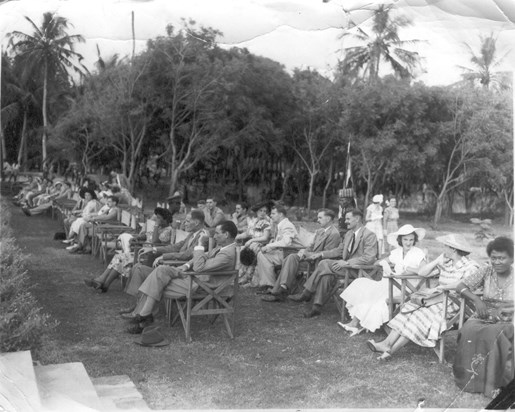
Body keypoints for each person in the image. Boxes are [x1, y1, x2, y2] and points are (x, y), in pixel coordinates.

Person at [367, 233, 479, 360]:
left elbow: (465, 285)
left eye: (445, 247)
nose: (443, 249)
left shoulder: (470, 266)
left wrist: (441, 288)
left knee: (417, 315)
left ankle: (389, 351)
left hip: (455, 304)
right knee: (409, 308)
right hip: (438, 300)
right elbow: (422, 273)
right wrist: (437, 261)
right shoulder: (447, 263)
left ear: (453, 249)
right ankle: (387, 344)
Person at [125, 220, 238, 334]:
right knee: (161, 270)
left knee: (156, 279)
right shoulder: (222, 248)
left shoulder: (227, 254)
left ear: (226, 235)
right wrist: (186, 265)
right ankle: (144, 315)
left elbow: (199, 267)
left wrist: (199, 244)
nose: (214, 236)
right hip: (194, 277)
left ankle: (143, 318)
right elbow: (202, 257)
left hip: (201, 285)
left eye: (218, 233)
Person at [453, 236, 514, 398]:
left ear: (512, 258)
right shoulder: (486, 271)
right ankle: (471, 379)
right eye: (494, 258)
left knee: (496, 335)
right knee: (468, 330)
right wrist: (477, 299)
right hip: (484, 314)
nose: (497, 262)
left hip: (510, 317)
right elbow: (460, 286)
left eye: (502, 258)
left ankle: (495, 383)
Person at [338, 224, 427, 335]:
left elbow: (424, 270)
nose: (408, 243)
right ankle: (355, 324)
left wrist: (408, 269)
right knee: (362, 285)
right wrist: (384, 264)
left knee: (376, 296)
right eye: (405, 239)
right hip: (392, 282)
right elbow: (378, 262)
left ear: (414, 240)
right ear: (400, 240)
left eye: (411, 240)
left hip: (407, 287)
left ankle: (357, 325)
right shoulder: (397, 252)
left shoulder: (417, 253)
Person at [288, 209, 378, 318]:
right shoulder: (349, 234)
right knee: (326, 275)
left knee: (324, 264)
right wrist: (321, 254)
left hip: (359, 270)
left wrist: (347, 262)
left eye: (348, 219)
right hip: (346, 268)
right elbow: (339, 250)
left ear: (357, 219)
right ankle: (316, 307)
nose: (346, 221)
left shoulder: (369, 235)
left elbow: (369, 257)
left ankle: (306, 293)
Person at [83, 208, 174, 293]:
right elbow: (147, 236)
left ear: (165, 219)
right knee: (120, 259)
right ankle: (103, 283)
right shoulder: (159, 227)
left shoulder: (167, 230)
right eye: (156, 217)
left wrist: (156, 225)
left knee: (122, 259)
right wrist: (137, 237)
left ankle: (102, 282)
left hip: (151, 257)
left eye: (158, 218)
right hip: (142, 252)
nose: (156, 220)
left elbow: (154, 242)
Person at [261, 208, 342, 302]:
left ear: (328, 219)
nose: (317, 220)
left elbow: (326, 253)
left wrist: (306, 254)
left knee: (291, 259)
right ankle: (282, 288)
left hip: (317, 262)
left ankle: (278, 292)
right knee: (291, 257)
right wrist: (304, 251)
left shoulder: (334, 234)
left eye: (320, 218)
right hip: (309, 258)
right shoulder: (320, 231)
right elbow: (310, 246)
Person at [253, 201, 303, 290]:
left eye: (273, 213)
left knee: (262, 255)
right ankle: (268, 283)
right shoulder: (281, 225)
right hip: (285, 252)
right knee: (262, 253)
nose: (271, 215)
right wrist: (272, 245)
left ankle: (269, 284)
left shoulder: (287, 225)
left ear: (280, 214)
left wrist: (270, 246)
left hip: (291, 255)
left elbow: (286, 242)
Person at [236, 201, 272, 286]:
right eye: (261, 211)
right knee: (240, 250)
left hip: (262, 244)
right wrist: (237, 236)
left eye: (265, 211)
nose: (263, 213)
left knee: (251, 250)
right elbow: (248, 234)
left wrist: (252, 240)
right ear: (256, 211)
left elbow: (265, 237)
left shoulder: (266, 223)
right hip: (252, 244)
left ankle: (248, 278)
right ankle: (240, 275)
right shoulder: (253, 221)